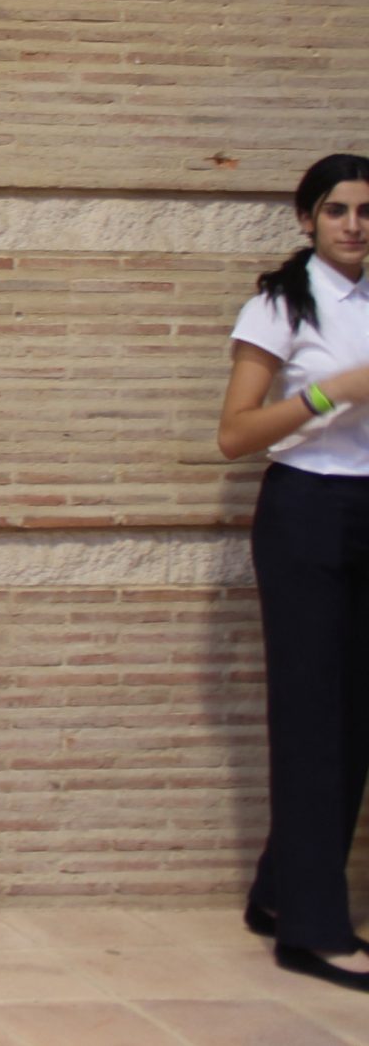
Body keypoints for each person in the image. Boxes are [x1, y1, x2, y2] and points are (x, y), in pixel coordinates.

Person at [219, 153, 369, 992]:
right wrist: (333, 391)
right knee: (313, 717)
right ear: (308, 218)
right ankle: (312, 931)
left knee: (355, 718)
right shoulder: (281, 304)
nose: (354, 224)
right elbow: (235, 434)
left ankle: (281, 892)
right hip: (307, 510)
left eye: (367, 211)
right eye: (337, 209)